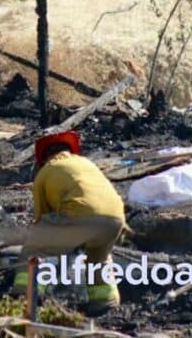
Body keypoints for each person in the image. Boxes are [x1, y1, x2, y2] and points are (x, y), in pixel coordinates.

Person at [12, 131, 125, 315]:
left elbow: (42, 218)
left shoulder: (46, 171)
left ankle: (25, 297)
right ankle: (105, 302)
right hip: (115, 217)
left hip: (79, 215)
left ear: (46, 157)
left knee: (35, 249)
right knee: (99, 259)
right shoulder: (87, 164)